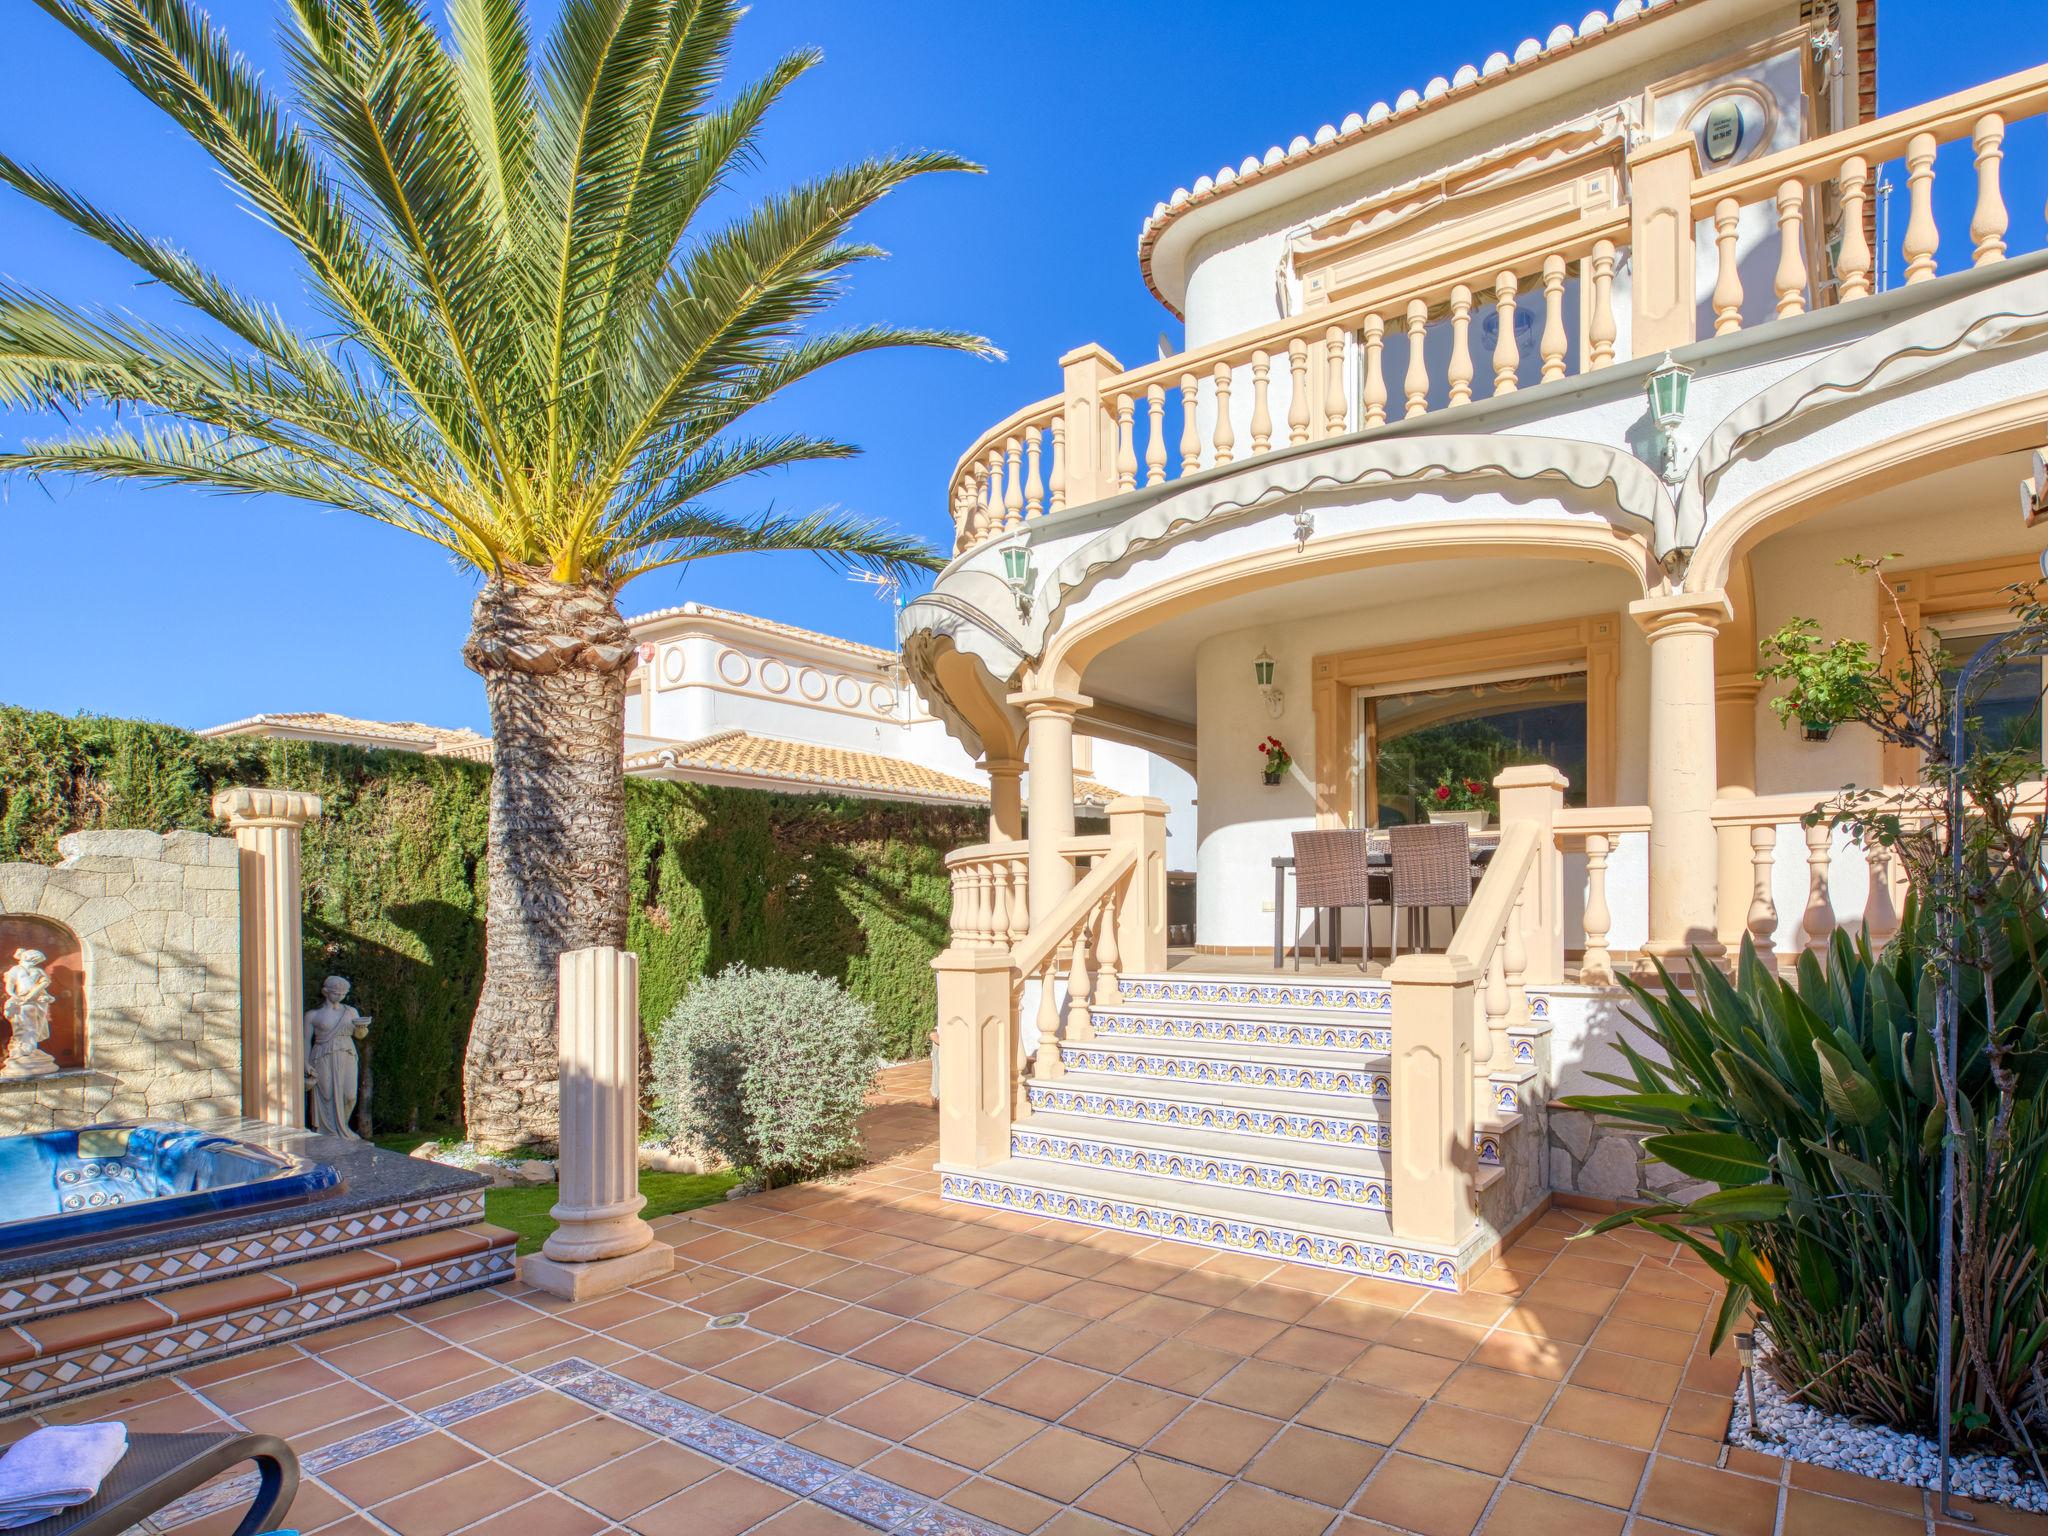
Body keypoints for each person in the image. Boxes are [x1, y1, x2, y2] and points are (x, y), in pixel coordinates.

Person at [304, 975, 371, 1137]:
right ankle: (328, 1133)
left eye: (343, 994)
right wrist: (305, 1062)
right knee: (326, 1095)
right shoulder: (313, 1015)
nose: (340, 996)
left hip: (347, 1053)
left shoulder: (350, 1011)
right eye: (336, 993)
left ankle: (344, 1127)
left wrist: (362, 1028)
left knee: (349, 1095)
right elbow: (305, 1041)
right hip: (322, 1056)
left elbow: (360, 1035)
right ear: (325, 992)